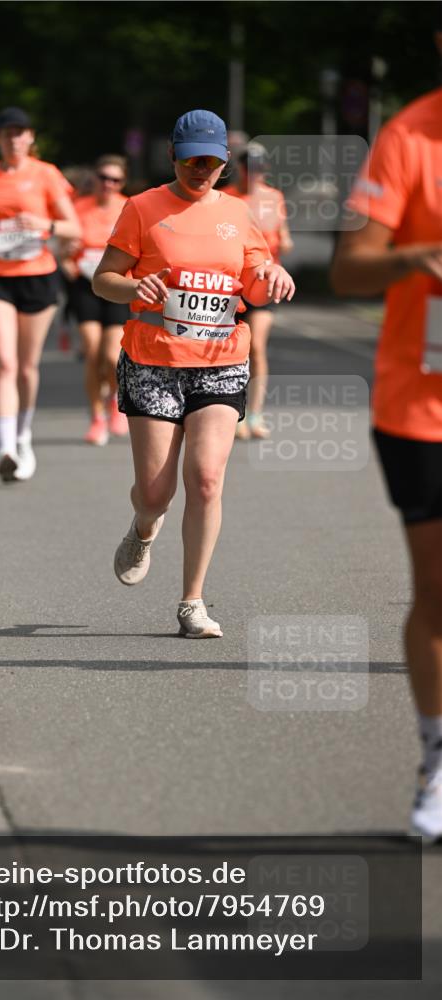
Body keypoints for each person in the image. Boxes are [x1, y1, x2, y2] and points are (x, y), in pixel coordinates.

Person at [93, 110, 295, 637]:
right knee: (156, 493)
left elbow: (252, 282)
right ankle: (143, 527)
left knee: (206, 479)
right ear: (174, 158)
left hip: (221, 361)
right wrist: (134, 288)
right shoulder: (142, 208)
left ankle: (192, 602)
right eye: (192, 160)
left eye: (211, 161)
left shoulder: (240, 212)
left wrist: (269, 273)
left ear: (225, 162)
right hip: (154, 360)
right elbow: (103, 279)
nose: (201, 169)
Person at [330, 70, 442, 840]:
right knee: (438, 591)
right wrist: (414, 256)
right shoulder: (411, 135)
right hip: (422, 406)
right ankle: (438, 764)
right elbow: (346, 269)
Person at [0, 107, 80, 482]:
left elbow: (72, 227)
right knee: (4, 363)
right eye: (7, 133)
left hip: (37, 274)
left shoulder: (46, 175)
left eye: (20, 132)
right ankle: (6, 448)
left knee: (27, 367)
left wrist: (44, 223)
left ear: (31, 138)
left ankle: (24, 436)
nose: (14, 138)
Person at [224, 142, 293, 439]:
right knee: (232, 349)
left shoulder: (274, 197)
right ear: (239, 169)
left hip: (265, 282)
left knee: (256, 346)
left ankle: (254, 414)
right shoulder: (226, 198)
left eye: (260, 169)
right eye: (249, 168)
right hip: (233, 284)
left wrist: (285, 244)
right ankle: (233, 413)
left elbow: (284, 235)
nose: (255, 174)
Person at [64, 155, 131, 445]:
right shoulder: (79, 208)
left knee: (111, 355)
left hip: (117, 286)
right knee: (92, 352)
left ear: (122, 183)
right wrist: (67, 260)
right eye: (103, 177)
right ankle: (96, 416)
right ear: (95, 179)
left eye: (114, 180)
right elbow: (63, 247)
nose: (108, 184)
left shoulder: (130, 207)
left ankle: (114, 398)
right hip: (85, 284)